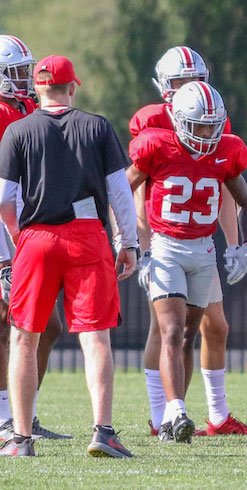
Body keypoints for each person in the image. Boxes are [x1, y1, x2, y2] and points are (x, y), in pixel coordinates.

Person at [0, 55, 137, 458]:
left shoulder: (17, 130)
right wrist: (127, 242)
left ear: (38, 88)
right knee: (95, 337)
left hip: (36, 237)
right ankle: (103, 432)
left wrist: (19, 235)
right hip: (87, 236)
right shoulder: (96, 126)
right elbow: (120, 194)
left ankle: (21, 439)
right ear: (72, 87)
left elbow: (5, 198)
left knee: (24, 337)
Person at [129, 46, 247, 437]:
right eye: (178, 82)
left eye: (195, 80)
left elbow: (226, 191)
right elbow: (133, 190)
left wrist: (239, 244)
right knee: (167, 329)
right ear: (163, 87)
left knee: (200, 329)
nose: (188, 88)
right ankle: (167, 414)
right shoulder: (152, 128)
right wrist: (139, 244)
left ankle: (206, 415)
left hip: (202, 243)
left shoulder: (216, 128)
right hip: (165, 238)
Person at [0, 35, 71, 442]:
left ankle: (25, 416)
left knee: (49, 325)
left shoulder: (27, 108)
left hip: (28, 225)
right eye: (16, 73)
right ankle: (9, 418)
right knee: (9, 323)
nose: (25, 80)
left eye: (26, 71)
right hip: (5, 224)